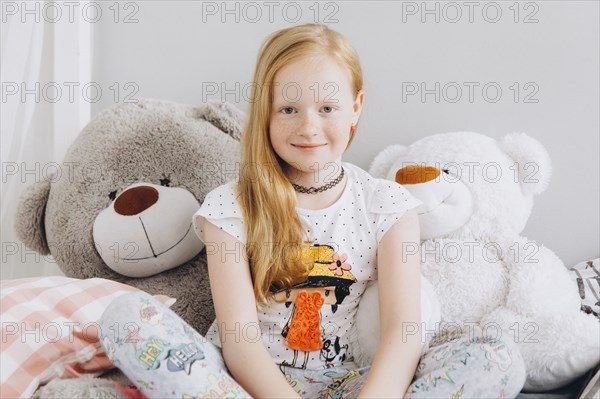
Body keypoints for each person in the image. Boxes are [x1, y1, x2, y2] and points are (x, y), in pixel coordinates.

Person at [99, 23, 526, 399]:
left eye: (327, 108)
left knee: (496, 355)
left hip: (351, 382)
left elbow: (402, 334)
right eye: (288, 109)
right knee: (124, 318)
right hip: (247, 384)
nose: (308, 127)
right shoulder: (231, 207)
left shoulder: (388, 205)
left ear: (355, 108)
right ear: (265, 112)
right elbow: (239, 338)